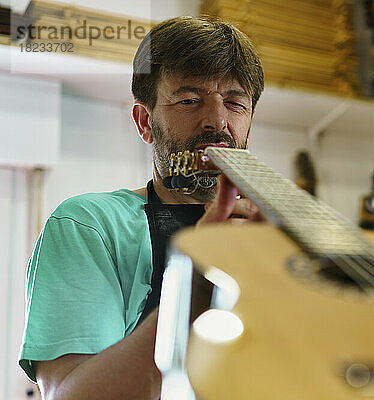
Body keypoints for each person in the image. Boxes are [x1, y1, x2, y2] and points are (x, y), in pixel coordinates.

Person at [18, 16, 265, 399]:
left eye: (234, 102)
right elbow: (70, 394)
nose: (218, 121)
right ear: (145, 121)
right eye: (189, 100)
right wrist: (196, 280)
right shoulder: (89, 225)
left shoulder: (276, 236)